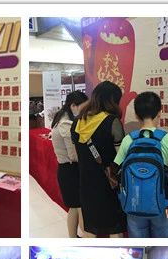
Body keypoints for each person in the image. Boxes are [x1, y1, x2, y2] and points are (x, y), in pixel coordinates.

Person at [113, 91, 168, 238]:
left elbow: (117, 169)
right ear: (159, 113)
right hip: (161, 204)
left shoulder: (128, 139)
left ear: (136, 115)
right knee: (162, 247)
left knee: (139, 246)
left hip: (133, 203)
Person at [71, 81, 127, 237]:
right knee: (115, 229)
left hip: (86, 182)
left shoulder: (78, 121)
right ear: (113, 100)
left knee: (91, 229)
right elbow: (121, 157)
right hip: (109, 183)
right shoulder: (112, 122)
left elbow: (77, 154)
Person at [50, 90, 89, 238]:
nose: (85, 112)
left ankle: (73, 238)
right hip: (72, 171)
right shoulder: (66, 124)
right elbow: (73, 155)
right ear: (73, 105)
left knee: (74, 207)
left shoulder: (61, 119)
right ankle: (86, 238)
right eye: (83, 108)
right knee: (81, 209)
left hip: (66, 170)